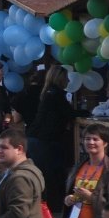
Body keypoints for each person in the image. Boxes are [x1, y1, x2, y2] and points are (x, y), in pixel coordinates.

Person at [27, 65, 76, 206]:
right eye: (66, 77)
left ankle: (48, 204)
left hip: (37, 137)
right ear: (60, 79)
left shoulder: (48, 93)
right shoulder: (56, 94)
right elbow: (69, 113)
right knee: (51, 174)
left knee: (46, 174)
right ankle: (52, 205)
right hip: (44, 139)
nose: (68, 81)